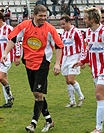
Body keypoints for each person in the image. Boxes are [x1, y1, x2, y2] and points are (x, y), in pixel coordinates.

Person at [1, 4, 64, 133]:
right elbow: (13, 39)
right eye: (40, 16)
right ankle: (49, 120)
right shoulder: (24, 26)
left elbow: (59, 46)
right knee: (37, 94)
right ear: (34, 15)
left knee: (38, 93)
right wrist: (5, 53)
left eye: (45, 16)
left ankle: (33, 123)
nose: (43, 18)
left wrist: (57, 64)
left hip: (43, 63)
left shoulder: (50, 29)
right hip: (28, 63)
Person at [59, 15, 86, 107]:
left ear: (69, 22)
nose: (62, 26)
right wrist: (60, 62)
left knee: (71, 79)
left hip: (74, 57)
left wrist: (83, 60)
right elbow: (62, 47)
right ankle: (72, 101)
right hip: (65, 58)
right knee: (67, 80)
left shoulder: (76, 32)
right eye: (61, 25)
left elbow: (83, 46)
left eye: (63, 24)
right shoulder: (63, 34)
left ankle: (81, 96)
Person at [0, 11, 21, 108]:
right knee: (4, 79)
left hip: (7, 57)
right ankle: (9, 100)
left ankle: (10, 96)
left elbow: (15, 42)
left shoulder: (8, 28)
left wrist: (17, 56)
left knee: (0, 77)